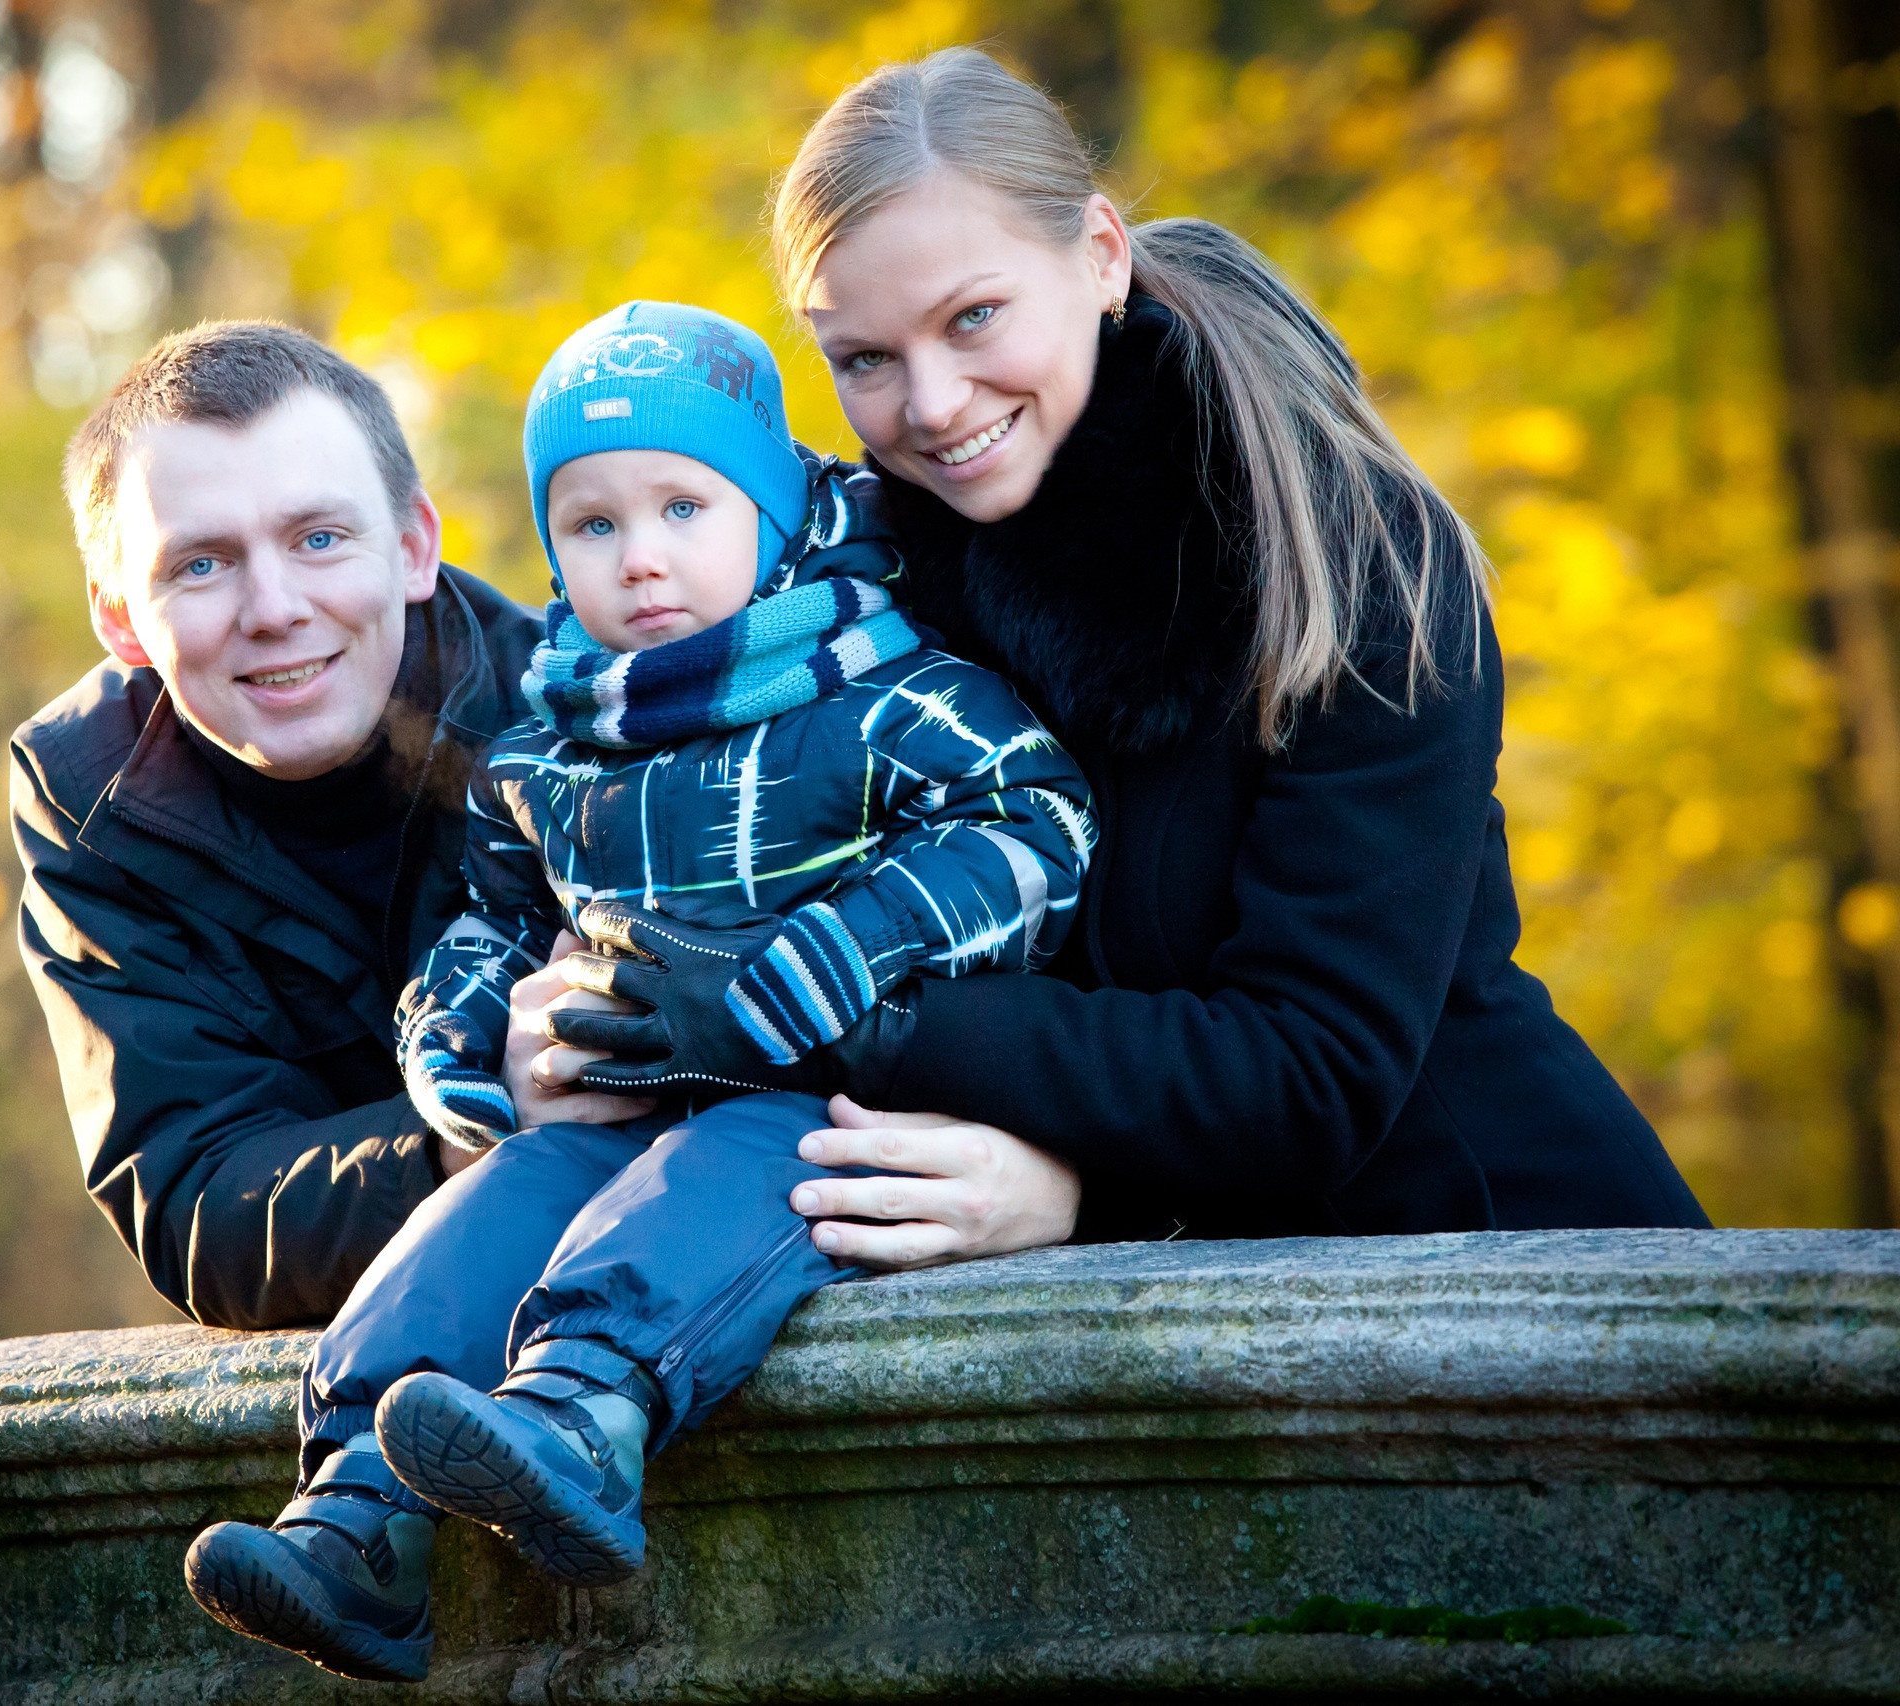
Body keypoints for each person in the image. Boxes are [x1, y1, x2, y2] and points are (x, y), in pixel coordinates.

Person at [545, 49, 1710, 1252]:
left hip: (1490, 1269)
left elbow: (1314, 1073)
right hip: (1154, 1350)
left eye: (973, 317)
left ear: (1100, 255)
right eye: (866, 360)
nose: (933, 402)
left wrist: (867, 1039)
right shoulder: (856, 591)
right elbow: (627, 778)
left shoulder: (1347, 558)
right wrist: (574, 1008)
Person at [182, 302, 1096, 1683]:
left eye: (685, 504)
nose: (643, 557)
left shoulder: (891, 690)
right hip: (612, 1093)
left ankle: (584, 1413)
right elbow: (490, 920)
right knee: (488, 1203)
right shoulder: (551, 747)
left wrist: (833, 957)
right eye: (593, 524)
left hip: (817, 1087)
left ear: (776, 506)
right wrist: (472, 1056)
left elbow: (1036, 824)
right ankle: (357, 1513)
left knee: (712, 1189)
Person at [10, 322, 542, 1333]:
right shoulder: (90, 804)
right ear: (121, 616)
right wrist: (463, 1135)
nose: (273, 607)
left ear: (414, 544)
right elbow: (198, 1206)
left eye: (318, 538)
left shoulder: (582, 715)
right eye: (202, 564)